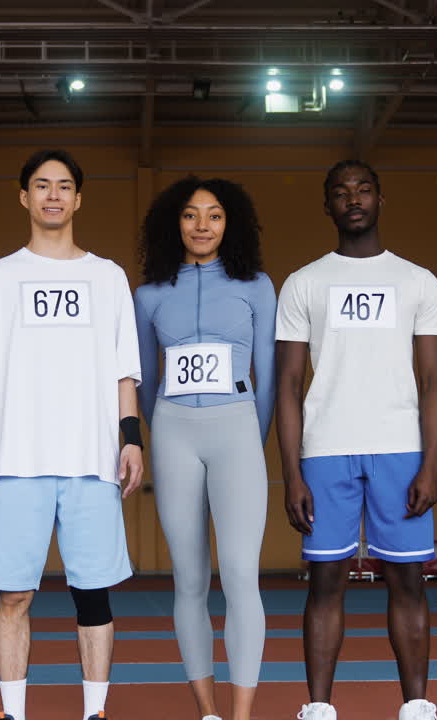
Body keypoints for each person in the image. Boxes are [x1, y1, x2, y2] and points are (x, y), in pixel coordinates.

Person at [0, 149, 145, 720]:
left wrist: (130, 437)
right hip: (14, 460)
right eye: (42, 185)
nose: (53, 195)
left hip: (92, 459)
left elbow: (123, 371)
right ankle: (14, 713)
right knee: (15, 595)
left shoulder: (107, 277)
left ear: (78, 199)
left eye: (64, 186)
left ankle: (95, 712)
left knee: (93, 595)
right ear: (24, 197)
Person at [275, 160, 437, 720]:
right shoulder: (304, 283)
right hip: (324, 452)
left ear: (380, 198)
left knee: (408, 580)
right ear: (326, 205)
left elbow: (434, 381)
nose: (353, 199)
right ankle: (319, 708)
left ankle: (417, 705)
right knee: (325, 580)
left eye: (364, 189)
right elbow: (287, 384)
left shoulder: (418, 281)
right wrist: (291, 474)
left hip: (400, 449)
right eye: (341, 192)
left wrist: (430, 467)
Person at [134, 177, 276, 720]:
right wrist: (164, 428)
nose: (201, 226)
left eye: (214, 216)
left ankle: (241, 714)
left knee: (240, 573)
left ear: (229, 223)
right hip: (173, 429)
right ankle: (207, 711)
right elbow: (146, 380)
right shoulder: (148, 295)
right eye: (191, 215)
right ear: (174, 222)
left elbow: (266, 371)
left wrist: (248, 434)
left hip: (238, 426)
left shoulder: (257, 285)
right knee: (189, 578)